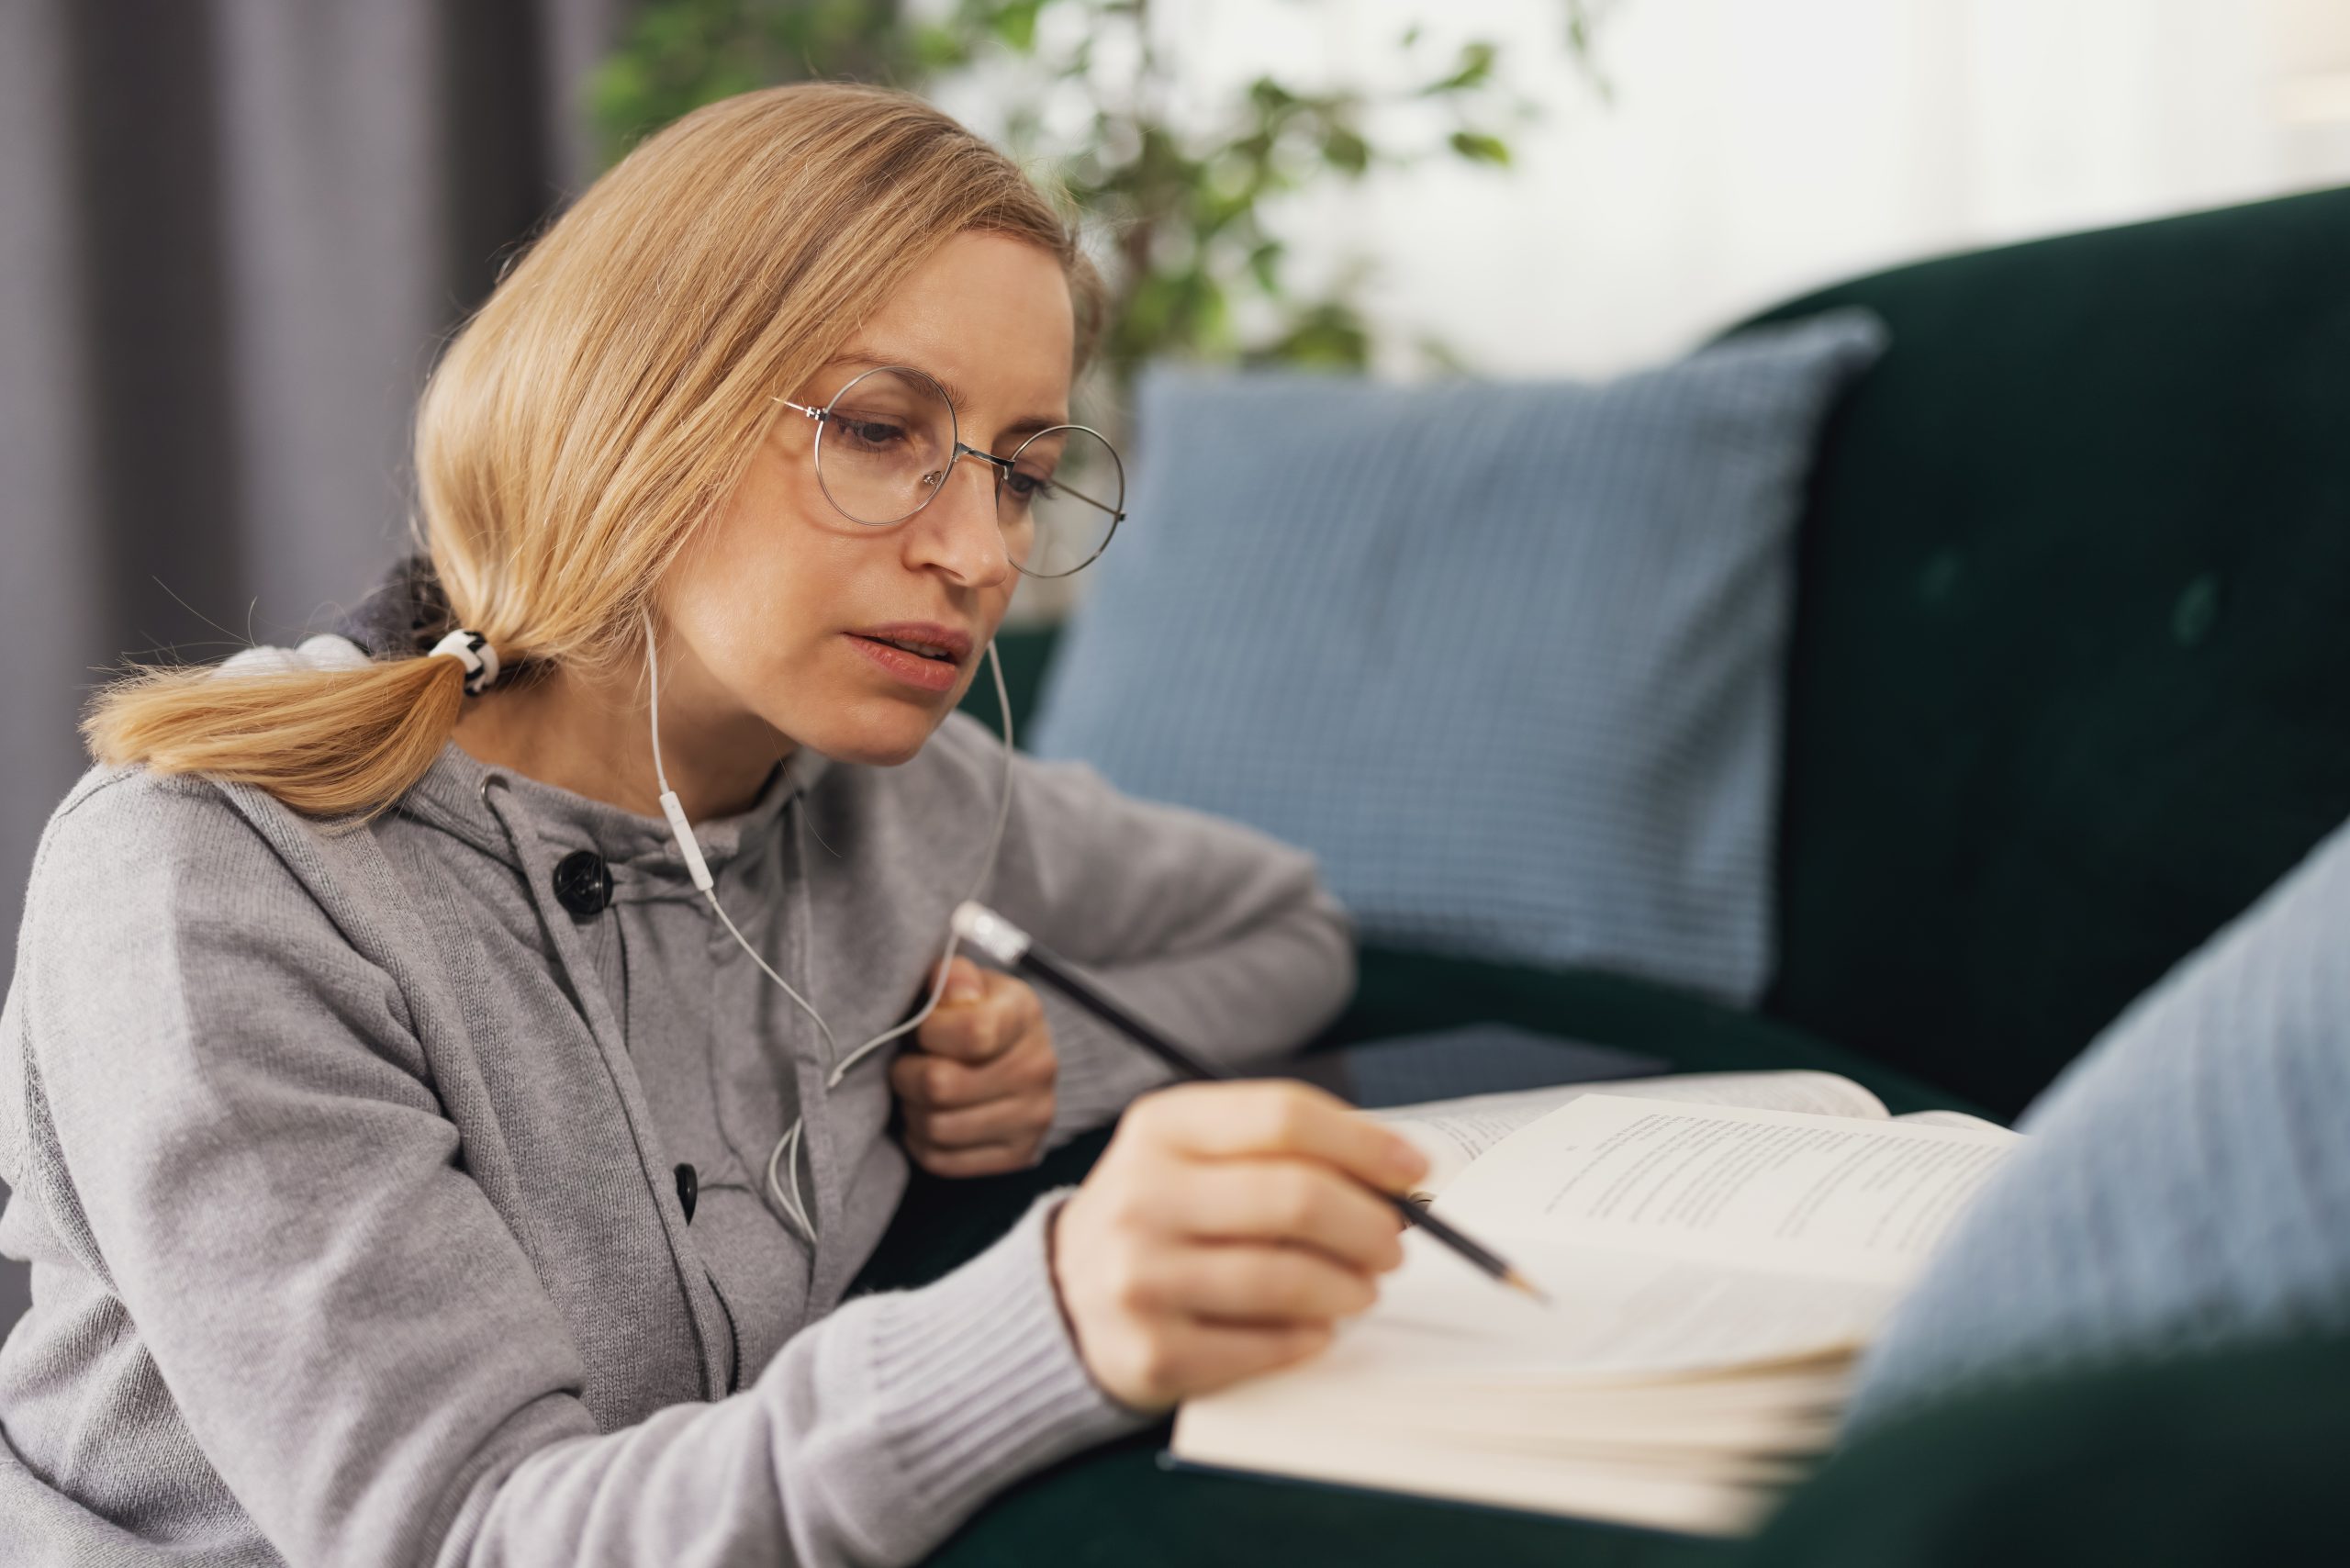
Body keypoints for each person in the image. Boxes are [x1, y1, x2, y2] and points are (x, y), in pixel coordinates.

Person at [0, 83, 1429, 1567]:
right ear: (641, 405)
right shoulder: (214, 883)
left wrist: (1065, 1069)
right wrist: (1052, 1319)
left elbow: (1287, 928)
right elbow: (473, 1539)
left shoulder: (906, 807)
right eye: (881, 431)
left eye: (1020, 471)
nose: (978, 552)